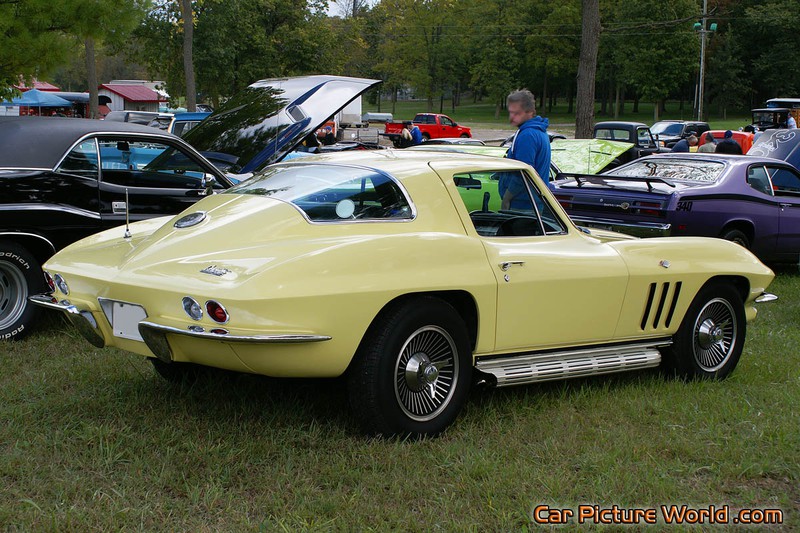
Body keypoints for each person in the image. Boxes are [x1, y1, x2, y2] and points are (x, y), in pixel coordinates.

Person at [504, 89, 551, 181]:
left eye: (517, 113)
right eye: (510, 112)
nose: (512, 117)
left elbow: (523, 175)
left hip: (525, 191)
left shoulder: (528, 135)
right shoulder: (539, 130)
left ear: (530, 112)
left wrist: (508, 190)